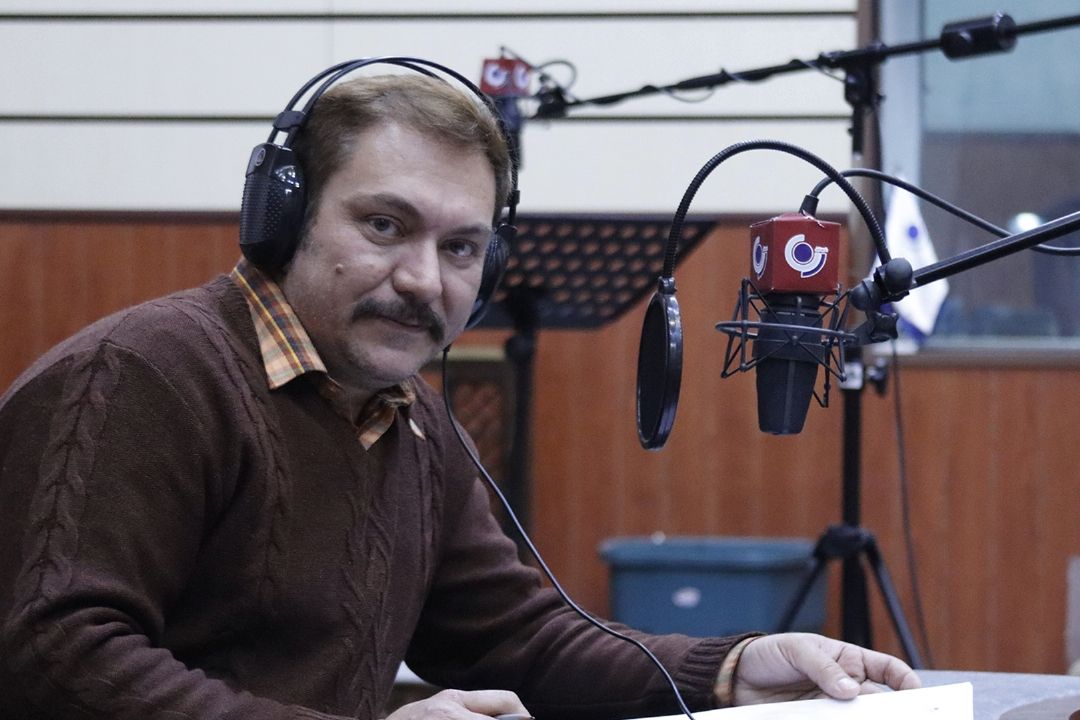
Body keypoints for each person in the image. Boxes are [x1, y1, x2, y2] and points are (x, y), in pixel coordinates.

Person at [0, 65, 920, 720]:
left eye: (460, 248)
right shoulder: (141, 377)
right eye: (383, 225)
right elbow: (53, 662)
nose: (422, 279)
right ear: (282, 218)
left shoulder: (411, 419)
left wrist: (732, 670)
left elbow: (517, 638)